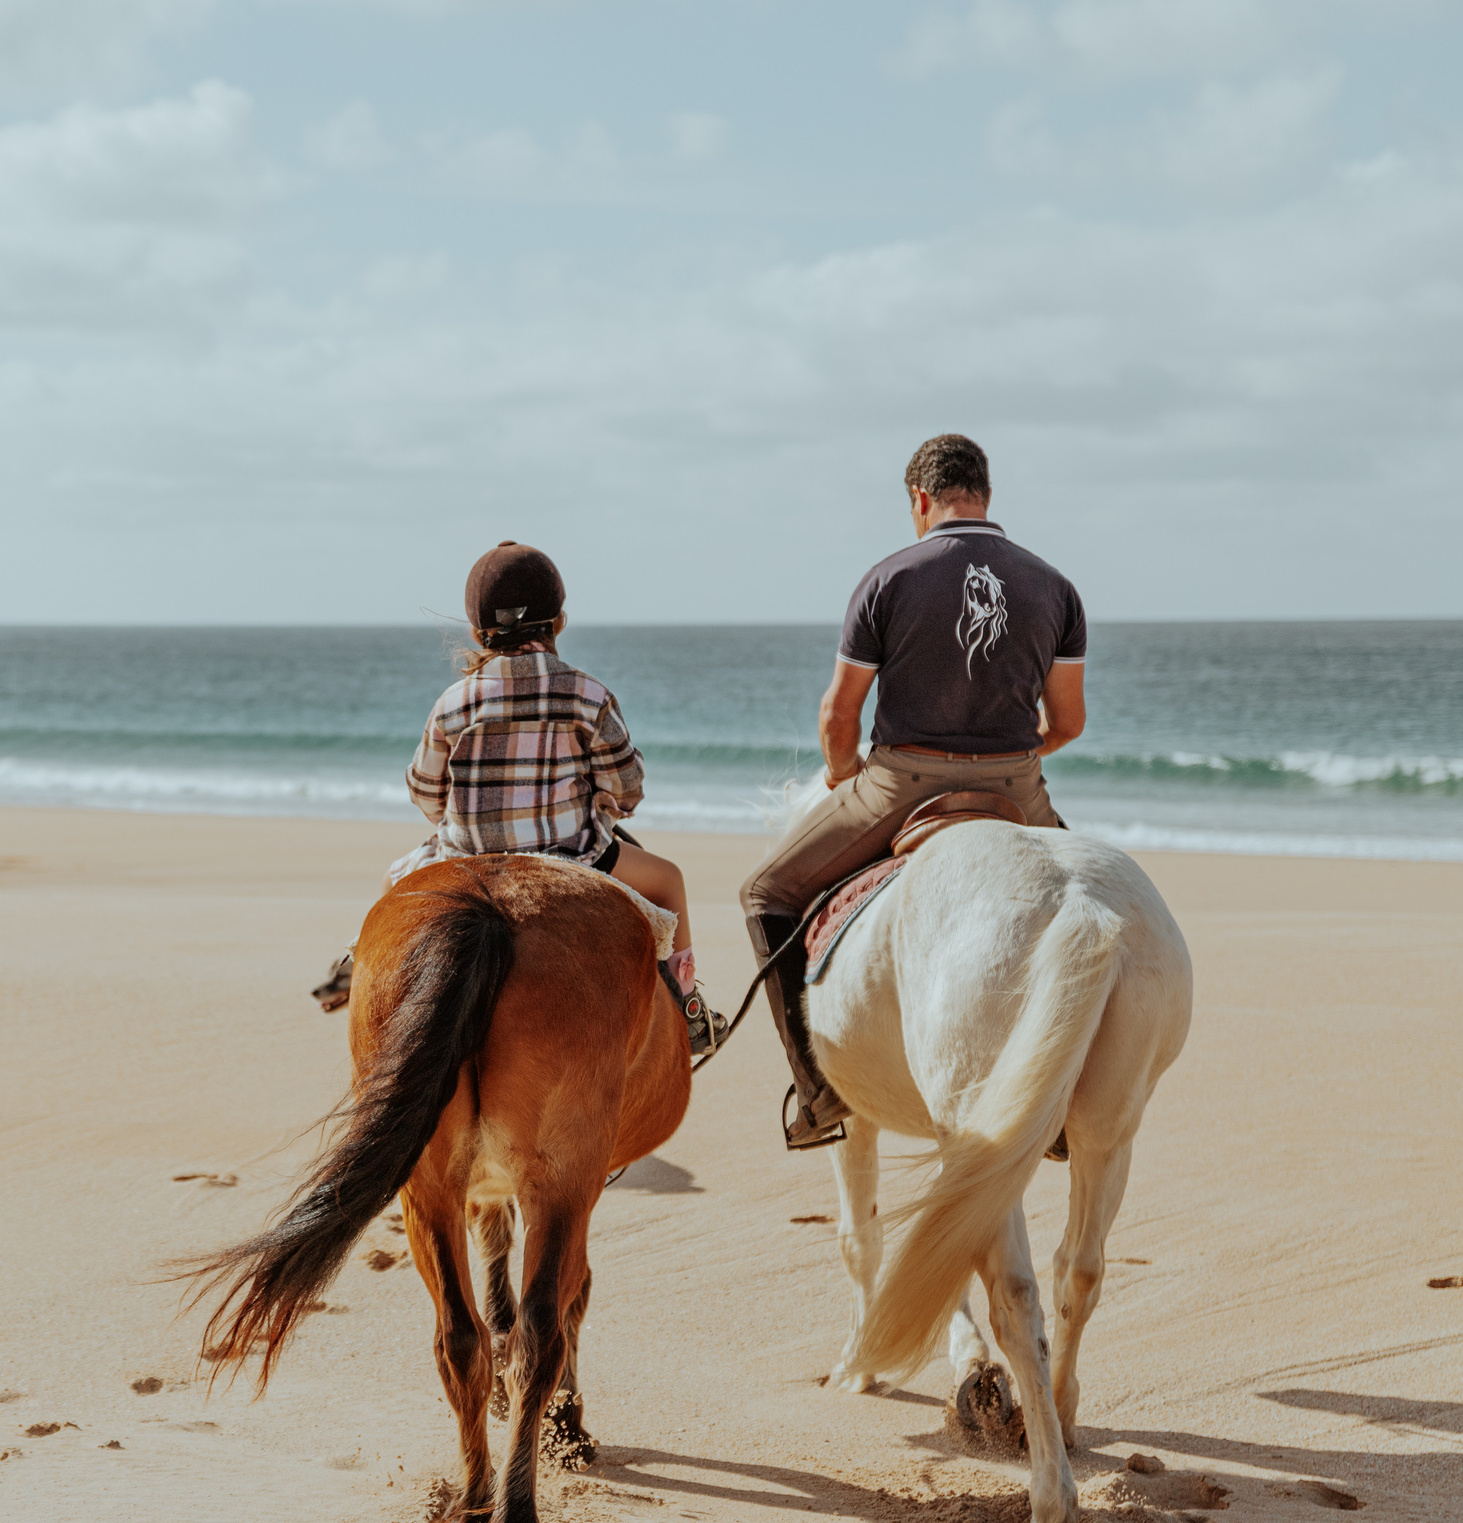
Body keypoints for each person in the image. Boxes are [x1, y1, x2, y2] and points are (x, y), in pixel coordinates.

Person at [741, 434, 1087, 1148]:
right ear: (986, 496)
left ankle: (817, 1093)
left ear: (919, 501)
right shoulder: (1054, 586)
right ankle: (1068, 1102)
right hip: (1018, 787)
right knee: (1082, 904)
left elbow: (839, 715)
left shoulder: (887, 578)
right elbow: (1070, 721)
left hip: (901, 783)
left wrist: (844, 776)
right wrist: (1020, 755)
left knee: (765, 893)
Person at [314, 540, 716, 1055]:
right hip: (575, 861)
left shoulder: (453, 703)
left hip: (468, 864)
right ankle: (689, 1012)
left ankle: (362, 972)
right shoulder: (586, 694)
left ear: (479, 632)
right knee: (669, 880)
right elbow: (628, 787)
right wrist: (606, 805)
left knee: (391, 885)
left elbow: (424, 792)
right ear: (559, 621)